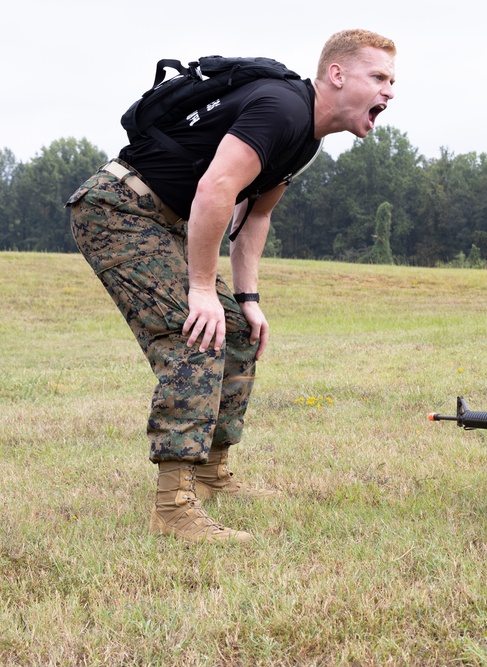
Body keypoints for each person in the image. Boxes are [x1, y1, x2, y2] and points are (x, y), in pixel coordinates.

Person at [67, 29, 396, 543]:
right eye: (378, 77)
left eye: (391, 81)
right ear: (336, 75)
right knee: (194, 332)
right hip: (117, 210)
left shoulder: (306, 137)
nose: (389, 92)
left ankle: (211, 473)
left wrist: (248, 298)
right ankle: (173, 508)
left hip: (165, 221)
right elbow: (216, 188)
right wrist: (200, 289)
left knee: (237, 329)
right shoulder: (283, 109)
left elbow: (255, 213)